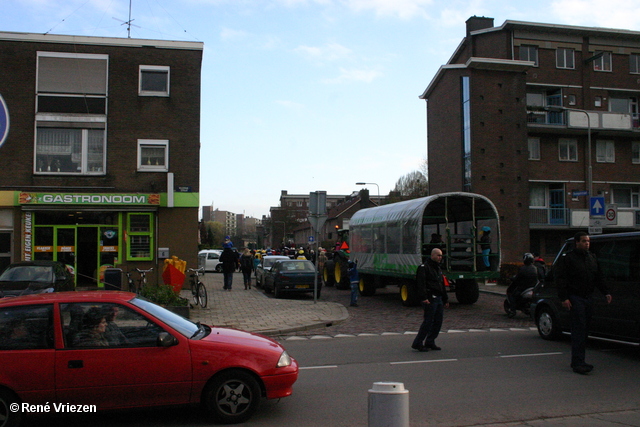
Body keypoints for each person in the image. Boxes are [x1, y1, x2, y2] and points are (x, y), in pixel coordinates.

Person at [555, 231, 612, 375]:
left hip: (588, 297)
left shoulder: (591, 258)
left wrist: (606, 292)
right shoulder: (568, 259)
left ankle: (580, 360)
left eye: (588, 241)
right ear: (577, 242)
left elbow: (598, 276)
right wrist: (564, 298)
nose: (587, 243)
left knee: (585, 329)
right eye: (584, 241)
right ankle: (578, 363)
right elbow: (561, 279)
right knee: (579, 329)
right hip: (576, 297)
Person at [412, 248, 449, 352]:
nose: (440, 257)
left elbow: (441, 284)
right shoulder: (424, 268)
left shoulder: (438, 268)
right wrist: (424, 298)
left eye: (441, 255)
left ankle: (430, 341)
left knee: (438, 321)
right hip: (430, 298)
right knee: (428, 321)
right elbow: (421, 284)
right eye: (438, 255)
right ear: (432, 255)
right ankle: (418, 343)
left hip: (439, 298)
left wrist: (445, 299)